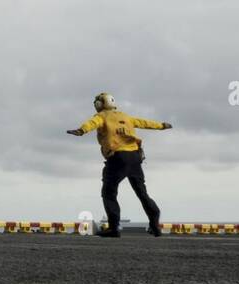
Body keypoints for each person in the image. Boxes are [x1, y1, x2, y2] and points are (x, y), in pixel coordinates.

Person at [67, 92, 172, 238]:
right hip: (135, 157)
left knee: (109, 193)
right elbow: (144, 123)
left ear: (99, 104)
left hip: (118, 158)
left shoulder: (101, 116)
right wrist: (162, 125)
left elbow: (91, 124)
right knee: (142, 193)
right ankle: (155, 226)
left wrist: (81, 130)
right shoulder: (125, 116)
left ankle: (113, 228)